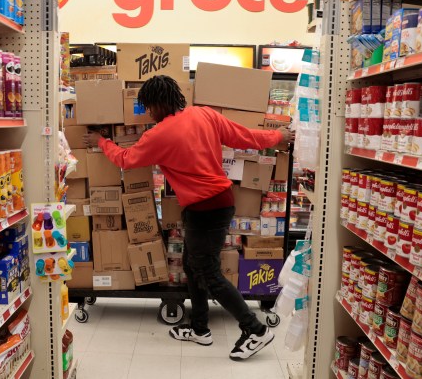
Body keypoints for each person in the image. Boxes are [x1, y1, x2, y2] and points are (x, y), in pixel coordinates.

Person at [83, 75, 294, 361]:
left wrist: (102, 141)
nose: (147, 114)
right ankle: (199, 329)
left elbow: (125, 159)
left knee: (209, 273)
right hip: (216, 203)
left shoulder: (158, 135)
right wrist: (278, 136)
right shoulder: (204, 114)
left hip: (205, 209)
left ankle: (255, 330)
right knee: (192, 266)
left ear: (157, 104)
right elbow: (246, 137)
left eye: (148, 107)